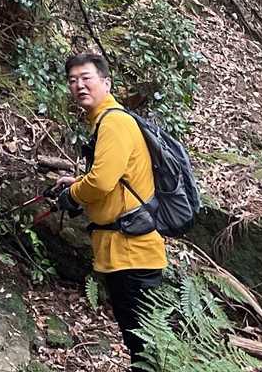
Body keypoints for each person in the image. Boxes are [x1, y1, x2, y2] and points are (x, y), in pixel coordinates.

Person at [49, 51, 167, 365]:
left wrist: (74, 195)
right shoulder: (106, 121)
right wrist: (78, 182)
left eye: (86, 78)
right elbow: (112, 179)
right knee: (139, 343)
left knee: (145, 348)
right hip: (124, 251)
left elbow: (101, 182)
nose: (79, 85)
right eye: (72, 80)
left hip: (133, 253)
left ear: (106, 82)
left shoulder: (114, 122)